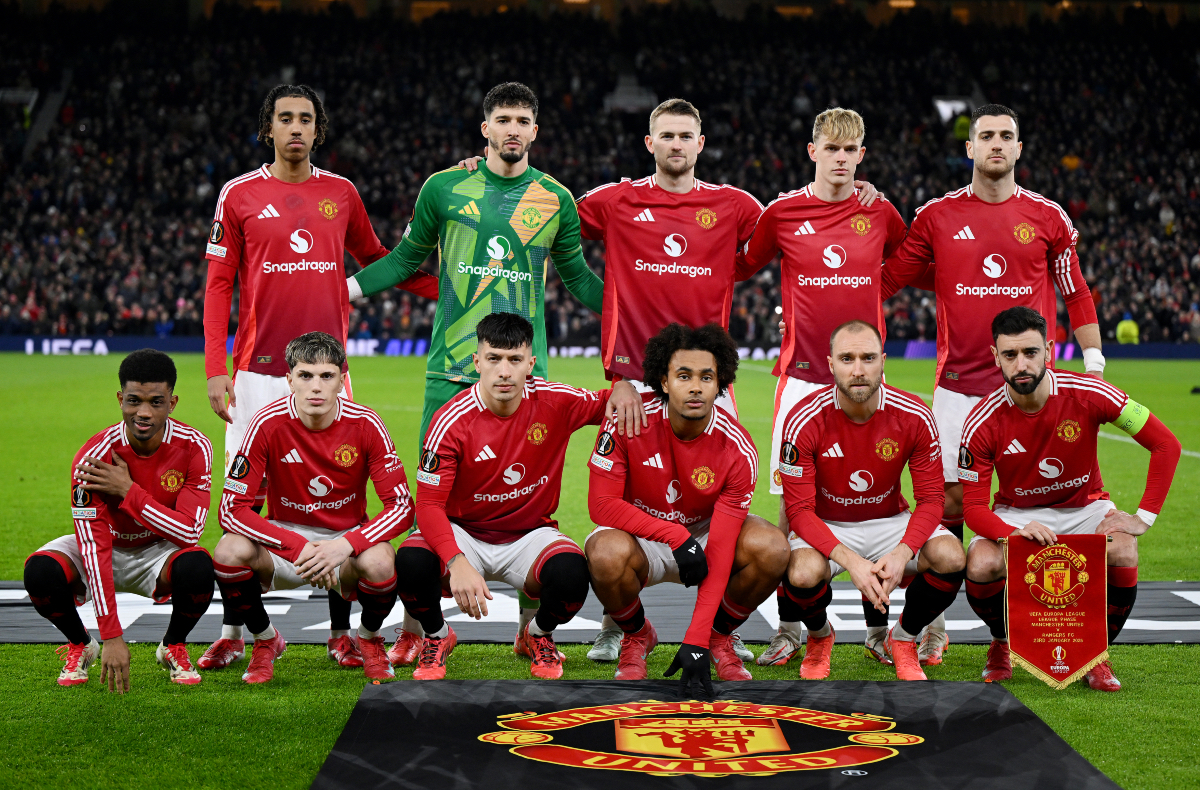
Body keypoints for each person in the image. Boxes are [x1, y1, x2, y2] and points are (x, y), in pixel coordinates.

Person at [345, 82, 642, 654]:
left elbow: (580, 279)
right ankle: (418, 628)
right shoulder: (444, 188)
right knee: (436, 504)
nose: (512, 129)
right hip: (451, 368)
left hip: (526, 376)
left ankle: (533, 632)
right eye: (502, 119)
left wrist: (636, 322)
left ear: (535, 130)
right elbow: (407, 258)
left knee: (534, 500)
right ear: (485, 129)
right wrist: (345, 290)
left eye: (522, 120)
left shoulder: (555, 198)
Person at [201, 84, 436, 671]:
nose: (296, 128)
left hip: (330, 374)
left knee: (341, 496)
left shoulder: (341, 193)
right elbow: (219, 285)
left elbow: (384, 257)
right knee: (243, 504)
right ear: (269, 127)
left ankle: (340, 632)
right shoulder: (240, 195)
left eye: (306, 119)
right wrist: (213, 366)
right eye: (285, 118)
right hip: (257, 374)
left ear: (318, 129)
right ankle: (239, 630)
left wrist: (450, 289)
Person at [880, 103, 1104, 664]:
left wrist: (1093, 360)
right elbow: (886, 280)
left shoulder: (1048, 216)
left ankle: (1030, 627)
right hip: (960, 387)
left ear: (1019, 148)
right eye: (987, 136)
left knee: (1045, 493)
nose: (997, 144)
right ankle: (930, 624)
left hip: (1033, 389)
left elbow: (1074, 289)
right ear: (970, 148)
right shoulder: (936, 215)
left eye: (1007, 136)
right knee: (951, 500)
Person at [735, 107, 909, 666]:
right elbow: (740, 266)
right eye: (830, 149)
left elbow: (910, 263)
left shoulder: (879, 210)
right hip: (800, 383)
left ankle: (881, 629)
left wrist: (868, 299)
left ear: (862, 155)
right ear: (812, 152)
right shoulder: (782, 212)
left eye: (850, 149)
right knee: (792, 508)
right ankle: (790, 626)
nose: (840, 159)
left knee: (875, 496)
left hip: (866, 379)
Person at [395, 313, 630, 679]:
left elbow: (610, 402)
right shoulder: (450, 421)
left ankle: (536, 635)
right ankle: (437, 636)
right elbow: (427, 506)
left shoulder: (556, 401)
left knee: (571, 574)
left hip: (529, 533)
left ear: (530, 363)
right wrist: (456, 562)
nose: (504, 371)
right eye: (494, 359)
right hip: (464, 532)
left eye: (514, 360)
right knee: (410, 563)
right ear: (477, 362)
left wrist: (623, 385)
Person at [957, 306, 1180, 690]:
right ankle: (1002, 640)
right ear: (996, 358)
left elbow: (1165, 444)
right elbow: (974, 507)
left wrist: (1142, 517)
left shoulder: (1090, 393)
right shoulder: (981, 420)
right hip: (1017, 513)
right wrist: (1013, 532)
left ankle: (1096, 654)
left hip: (1085, 508)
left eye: (1030, 352)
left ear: (1049, 350)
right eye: (1010, 355)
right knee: (980, 565)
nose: (1021, 364)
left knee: (1124, 548)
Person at [585, 323, 790, 695]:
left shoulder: (737, 448)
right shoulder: (628, 420)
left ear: (720, 384)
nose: (695, 386)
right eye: (684, 376)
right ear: (663, 382)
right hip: (641, 535)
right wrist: (674, 535)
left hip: (705, 536)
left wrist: (695, 639)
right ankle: (637, 636)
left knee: (772, 548)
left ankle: (718, 638)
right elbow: (601, 505)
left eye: (706, 377)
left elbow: (723, 549)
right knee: (603, 552)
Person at [212, 332, 414, 684]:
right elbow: (231, 509)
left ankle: (366, 638)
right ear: (289, 380)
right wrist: (297, 546)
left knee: (381, 561)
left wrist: (345, 545)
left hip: (343, 546)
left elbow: (401, 507)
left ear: (341, 379)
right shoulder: (266, 423)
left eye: (326, 376)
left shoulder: (366, 424)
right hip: (285, 544)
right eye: (305, 376)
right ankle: (265, 640)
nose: (315, 387)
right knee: (228, 549)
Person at [776, 321, 963, 680]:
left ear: (883, 361)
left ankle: (904, 639)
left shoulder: (914, 414)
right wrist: (854, 563)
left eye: (868, 358)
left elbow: (931, 500)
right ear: (830, 364)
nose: (858, 370)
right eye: (847, 358)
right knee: (801, 573)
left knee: (952, 556)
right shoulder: (803, 419)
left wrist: (902, 552)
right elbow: (798, 511)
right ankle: (819, 637)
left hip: (889, 522)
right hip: (828, 522)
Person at [24, 350, 214, 690]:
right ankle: (81, 644)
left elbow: (190, 532)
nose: (143, 413)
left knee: (198, 566)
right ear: (119, 399)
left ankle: (173, 645)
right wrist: (111, 636)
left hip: (157, 550)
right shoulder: (93, 458)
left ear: (172, 403)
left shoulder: (194, 447)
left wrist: (129, 491)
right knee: (39, 571)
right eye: (133, 401)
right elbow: (93, 545)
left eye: (156, 402)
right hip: (104, 542)